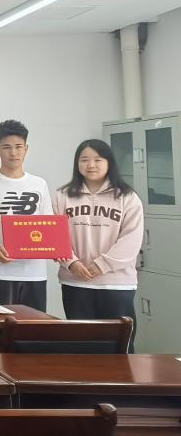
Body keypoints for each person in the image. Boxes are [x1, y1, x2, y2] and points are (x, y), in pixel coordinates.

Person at [53, 139, 143, 348]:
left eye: (98, 159)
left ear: (109, 162)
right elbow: (55, 236)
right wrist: (72, 263)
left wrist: (102, 265)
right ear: (77, 163)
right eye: (84, 160)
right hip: (76, 282)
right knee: (81, 345)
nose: (91, 165)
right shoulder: (62, 196)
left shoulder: (127, 197)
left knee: (119, 345)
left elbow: (131, 239)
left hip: (116, 283)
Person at [0, 119, 53, 311]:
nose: (13, 153)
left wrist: (55, 249)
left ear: (26, 149)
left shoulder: (39, 184)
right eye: (7, 147)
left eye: (18, 147)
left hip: (35, 271)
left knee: (33, 325)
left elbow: (48, 223)